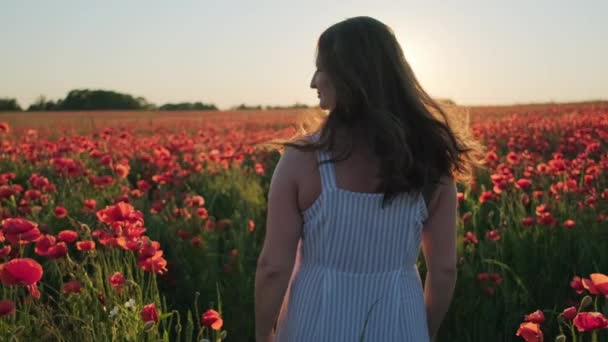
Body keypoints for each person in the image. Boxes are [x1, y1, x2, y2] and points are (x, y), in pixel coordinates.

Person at [255, 16, 480, 342]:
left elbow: (273, 266)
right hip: (400, 322)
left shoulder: (302, 159)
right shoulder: (432, 161)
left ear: (349, 78)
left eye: (321, 69)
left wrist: (264, 333)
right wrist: (422, 331)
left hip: (315, 322)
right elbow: (443, 270)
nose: (313, 81)